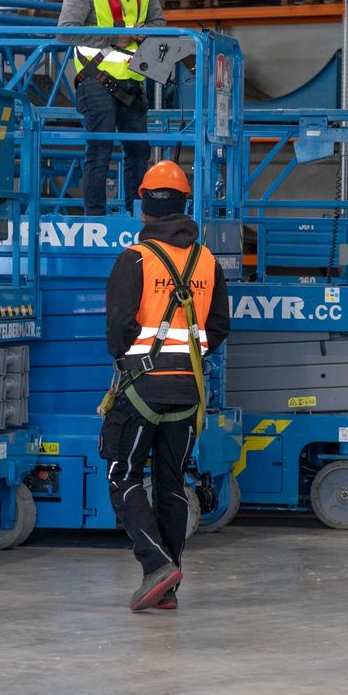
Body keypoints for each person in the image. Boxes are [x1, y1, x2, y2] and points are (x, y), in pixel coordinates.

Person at [99, 161, 230, 611]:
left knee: (123, 473)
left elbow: (116, 330)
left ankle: (157, 567)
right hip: (188, 390)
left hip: (141, 388)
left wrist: (135, 358)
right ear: (183, 203)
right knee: (172, 480)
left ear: (144, 203)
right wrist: (186, 355)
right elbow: (219, 326)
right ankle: (167, 588)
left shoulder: (134, 260)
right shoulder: (207, 261)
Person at [57, 0, 167, 216]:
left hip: (132, 81)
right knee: (100, 152)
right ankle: (95, 220)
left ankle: (136, 217)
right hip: (96, 81)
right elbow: (65, 32)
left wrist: (147, 32)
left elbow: (160, 24)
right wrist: (112, 37)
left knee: (139, 151)